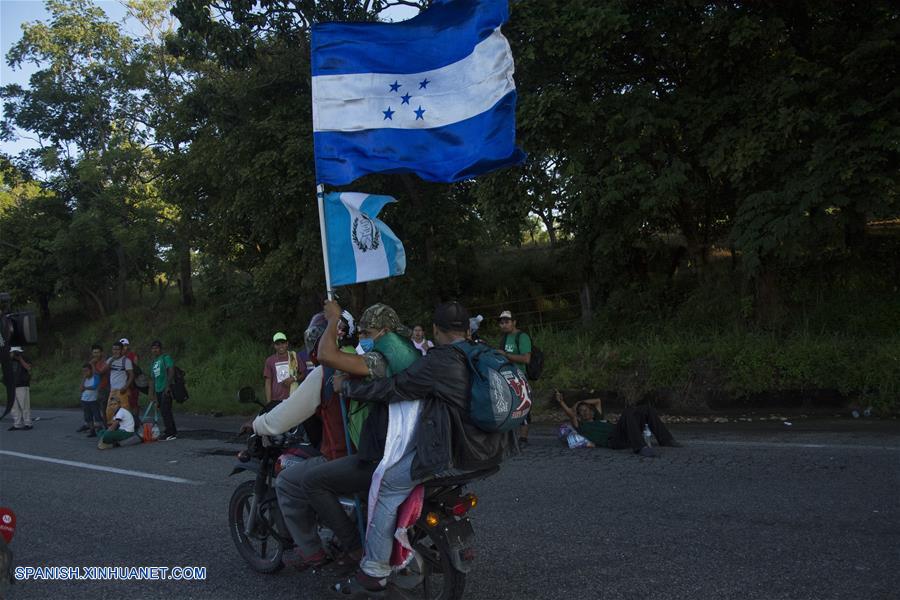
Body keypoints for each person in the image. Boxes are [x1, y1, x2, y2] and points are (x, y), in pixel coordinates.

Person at [331, 301, 516, 597]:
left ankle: (374, 571)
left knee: (389, 484)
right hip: (490, 451)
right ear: (468, 329)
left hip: (453, 454)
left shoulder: (439, 361)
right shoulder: (484, 352)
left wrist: (348, 388)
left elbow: (394, 388)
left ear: (434, 330)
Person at [555, 392, 682, 457]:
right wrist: (562, 402)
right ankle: (640, 448)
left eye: (587, 409)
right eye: (582, 411)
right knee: (627, 412)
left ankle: (666, 440)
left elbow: (598, 401)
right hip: (614, 440)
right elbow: (571, 414)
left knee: (646, 409)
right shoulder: (582, 426)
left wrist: (581, 401)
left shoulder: (599, 418)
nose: (585, 411)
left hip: (626, 434)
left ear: (592, 412)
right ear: (579, 416)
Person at [497, 310, 532, 446]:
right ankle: (509, 437)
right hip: (507, 377)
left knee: (523, 406)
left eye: (507, 322)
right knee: (508, 407)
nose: (504, 325)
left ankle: (523, 438)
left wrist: (505, 355)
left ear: (514, 322)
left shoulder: (522, 337)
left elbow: (526, 359)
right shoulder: (504, 338)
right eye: (502, 323)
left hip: (521, 377)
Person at [264, 332, 303, 406]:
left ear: (287, 343)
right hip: (276, 400)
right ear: (274, 345)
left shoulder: (294, 356)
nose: (280, 346)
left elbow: (303, 373)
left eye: (283, 343)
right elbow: (268, 383)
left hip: (293, 397)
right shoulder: (270, 361)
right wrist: (269, 403)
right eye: (277, 344)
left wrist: (293, 379)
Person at [149, 340, 177, 441]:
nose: (155, 350)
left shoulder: (165, 358)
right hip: (158, 390)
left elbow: (171, 370)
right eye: (153, 348)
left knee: (166, 411)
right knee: (163, 411)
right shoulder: (153, 362)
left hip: (166, 388)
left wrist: (168, 386)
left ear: (160, 349)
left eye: (156, 348)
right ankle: (171, 431)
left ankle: (170, 433)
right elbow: (152, 379)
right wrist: (151, 394)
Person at [106, 342, 133, 427]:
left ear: (121, 350)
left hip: (122, 390)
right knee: (110, 410)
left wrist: (125, 387)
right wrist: (111, 361)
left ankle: (126, 427)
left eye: (117, 349)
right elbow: (104, 371)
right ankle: (111, 428)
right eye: (114, 349)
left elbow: (131, 375)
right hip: (113, 390)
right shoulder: (110, 360)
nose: (115, 351)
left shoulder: (126, 361)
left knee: (124, 410)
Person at [6, 347, 32, 431]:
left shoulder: (24, 357)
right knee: (13, 406)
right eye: (14, 352)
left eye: (16, 352)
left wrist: (20, 359)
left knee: (24, 405)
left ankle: (28, 424)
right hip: (11, 385)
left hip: (22, 384)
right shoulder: (8, 360)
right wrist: (9, 357)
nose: (15, 354)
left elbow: (28, 368)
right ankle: (17, 424)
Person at [119, 338, 141, 427]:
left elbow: (135, 369)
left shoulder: (133, 356)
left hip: (133, 383)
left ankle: (136, 420)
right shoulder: (119, 357)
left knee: (134, 402)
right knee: (124, 402)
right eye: (123, 346)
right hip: (122, 382)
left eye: (125, 345)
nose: (124, 348)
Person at [78, 363, 104, 437]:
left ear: (91, 370)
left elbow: (94, 386)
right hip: (84, 399)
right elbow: (80, 389)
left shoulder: (95, 377)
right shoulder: (85, 379)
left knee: (97, 415)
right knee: (88, 416)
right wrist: (83, 379)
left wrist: (85, 388)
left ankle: (100, 429)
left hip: (93, 400)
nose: (85, 373)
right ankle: (92, 431)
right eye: (84, 371)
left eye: (87, 371)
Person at [89, 344, 110, 417]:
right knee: (99, 408)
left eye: (98, 352)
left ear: (102, 353)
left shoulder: (105, 361)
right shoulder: (94, 362)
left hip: (106, 387)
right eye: (94, 352)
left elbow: (99, 373)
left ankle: (107, 425)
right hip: (97, 387)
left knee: (105, 407)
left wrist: (92, 365)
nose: (96, 354)